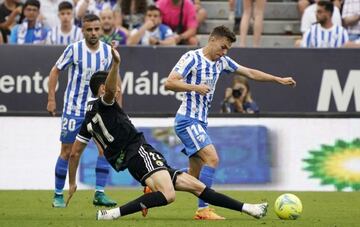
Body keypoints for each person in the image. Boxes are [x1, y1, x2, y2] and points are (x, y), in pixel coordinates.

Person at [66, 46, 269, 221]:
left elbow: (75, 153)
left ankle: (250, 209)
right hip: (139, 152)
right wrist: (116, 65)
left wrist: (73, 183)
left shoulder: (87, 120)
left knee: (197, 186)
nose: (118, 90)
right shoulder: (105, 103)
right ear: (103, 88)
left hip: (136, 160)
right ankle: (111, 214)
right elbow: (110, 92)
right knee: (168, 195)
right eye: (115, 86)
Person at [164, 25, 296, 220]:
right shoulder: (191, 58)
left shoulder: (221, 62)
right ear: (212, 40)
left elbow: (249, 72)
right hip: (187, 120)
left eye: (228, 49)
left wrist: (278, 79)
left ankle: (158, 181)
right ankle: (203, 210)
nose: (224, 52)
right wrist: (195, 87)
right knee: (213, 159)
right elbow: (169, 82)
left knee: (193, 176)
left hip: (200, 122)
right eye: (223, 47)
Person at [47, 14, 117, 208]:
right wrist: (51, 98)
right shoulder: (74, 49)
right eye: (89, 29)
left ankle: (99, 193)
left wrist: (117, 105)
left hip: (98, 109)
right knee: (68, 151)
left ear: (101, 29)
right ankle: (58, 195)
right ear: (83, 30)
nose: (93, 33)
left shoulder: (107, 51)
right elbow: (55, 70)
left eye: (96, 29)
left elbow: (113, 79)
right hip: (73, 108)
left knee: (105, 149)